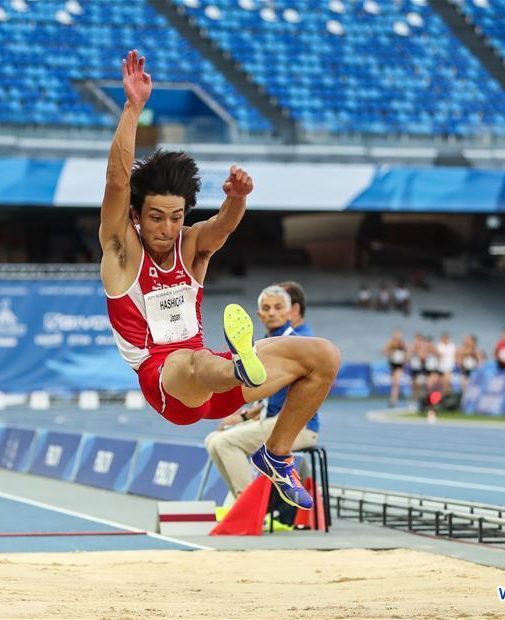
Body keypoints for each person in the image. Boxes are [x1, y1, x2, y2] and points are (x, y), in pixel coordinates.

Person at [99, 51, 340, 510]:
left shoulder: (190, 246)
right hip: (168, 382)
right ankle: (239, 365)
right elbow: (115, 184)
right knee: (192, 363)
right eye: (155, 218)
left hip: (218, 378)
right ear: (136, 215)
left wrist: (238, 198)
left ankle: (277, 453)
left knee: (324, 357)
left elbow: (223, 227)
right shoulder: (122, 251)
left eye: (175, 217)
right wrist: (133, 109)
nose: (167, 229)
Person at [204, 285, 319, 499]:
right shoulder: (265, 345)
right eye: (266, 308)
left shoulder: (296, 345)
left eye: (278, 307)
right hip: (270, 419)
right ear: (259, 315)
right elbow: (271, 398)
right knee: (213, 439)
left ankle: (250, 507)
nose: (272, 312)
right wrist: (244, 416)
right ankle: (244, 505)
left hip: (296, 426)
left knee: (224, 442)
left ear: (290, 313)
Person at [384, 329, 408, 406]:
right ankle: (394, 396)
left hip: (399, 365)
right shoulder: (391, 343)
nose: (398, 336)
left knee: (396, 383)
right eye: (397, 334)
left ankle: (394, 399)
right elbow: (384, 351)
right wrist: (390, 352)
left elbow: (406, 352)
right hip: (392, 364)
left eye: (399, 334)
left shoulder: (402, 343)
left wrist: (405, 361)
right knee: (393, 383)